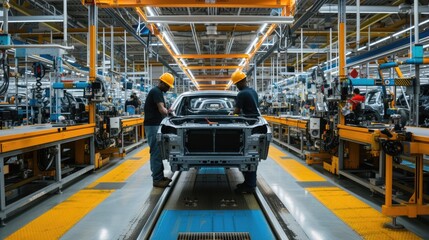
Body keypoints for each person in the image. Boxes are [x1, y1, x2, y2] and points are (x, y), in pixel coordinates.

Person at [144, 72, 175, 188]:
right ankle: (157, 179)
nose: (168, 88)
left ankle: (160, 177)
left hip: (155, 125)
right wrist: (170, 113)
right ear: (161, 82)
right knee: (156, 152)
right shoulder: (156, 92)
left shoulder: (158, 91)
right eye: (167, 86)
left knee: (158, 151)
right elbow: (162, 110)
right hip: (152, 126)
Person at [231, 70, 259, 194]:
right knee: (250, 155)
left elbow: (236, 111)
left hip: (248, 125)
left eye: (237, 83)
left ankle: (250, 185)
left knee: (248, 154)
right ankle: (249, 183)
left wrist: (230, 114)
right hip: (254, 124)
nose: (237, 86)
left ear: (242, 81)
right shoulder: (253, 91)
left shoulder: (242, 94)